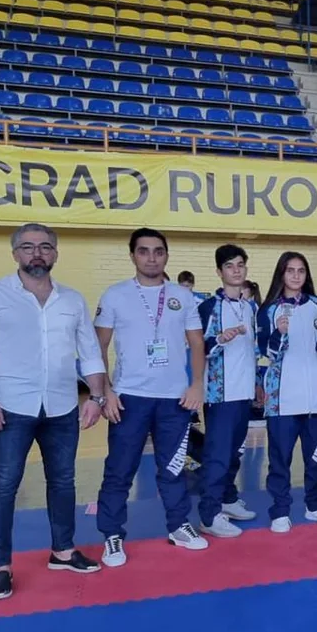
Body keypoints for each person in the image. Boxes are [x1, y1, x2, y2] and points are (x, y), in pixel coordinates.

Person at [0, 223, 107, 600]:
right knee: (3, 486)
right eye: (27, 247)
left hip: (61, 407)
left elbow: (90, 352)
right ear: (15, 255)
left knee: (63, 482)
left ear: (55, 254)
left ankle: (62, 550)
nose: (36, 253)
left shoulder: (72, 300)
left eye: (44, 247)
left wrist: (97, 397)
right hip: (9, 407)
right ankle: (0, 567)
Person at [95, 228, 207, 567]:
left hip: (174, 398)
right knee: (120, 470)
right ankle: (112, 535)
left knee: (173, 468)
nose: (152, 257)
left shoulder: (182, 297)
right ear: (133, 256)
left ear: (166, 255)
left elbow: (198, 343)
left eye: (158, 251)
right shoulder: (115, 295)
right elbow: (96, 346)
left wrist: (196, 384)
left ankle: (178, 526)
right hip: (129, 398)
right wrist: (105, 392)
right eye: (144, 251)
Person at [257, 252, 317, 532]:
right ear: (281, 274)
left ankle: (315, 505)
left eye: (301, 270)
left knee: (316, 458)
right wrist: (278, 333)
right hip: (282, 400)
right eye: (291, 271)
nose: (296, 276)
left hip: (316, 399)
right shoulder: (268, 310)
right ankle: (280, 511)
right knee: (280, 460)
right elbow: (266, 353)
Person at [195, 245, 260, 539]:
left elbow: (254, 350)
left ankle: (227, 498)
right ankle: (209, 514)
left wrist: (257, 382)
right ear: (219, 271)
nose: (237, 270)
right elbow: (197, 347)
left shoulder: (251, 307)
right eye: (230, 265)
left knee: (235, 452)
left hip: (244, 391)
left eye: (241, 265)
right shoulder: (209, 307)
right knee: (218, 455)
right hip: (219, 395)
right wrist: (220, 338)